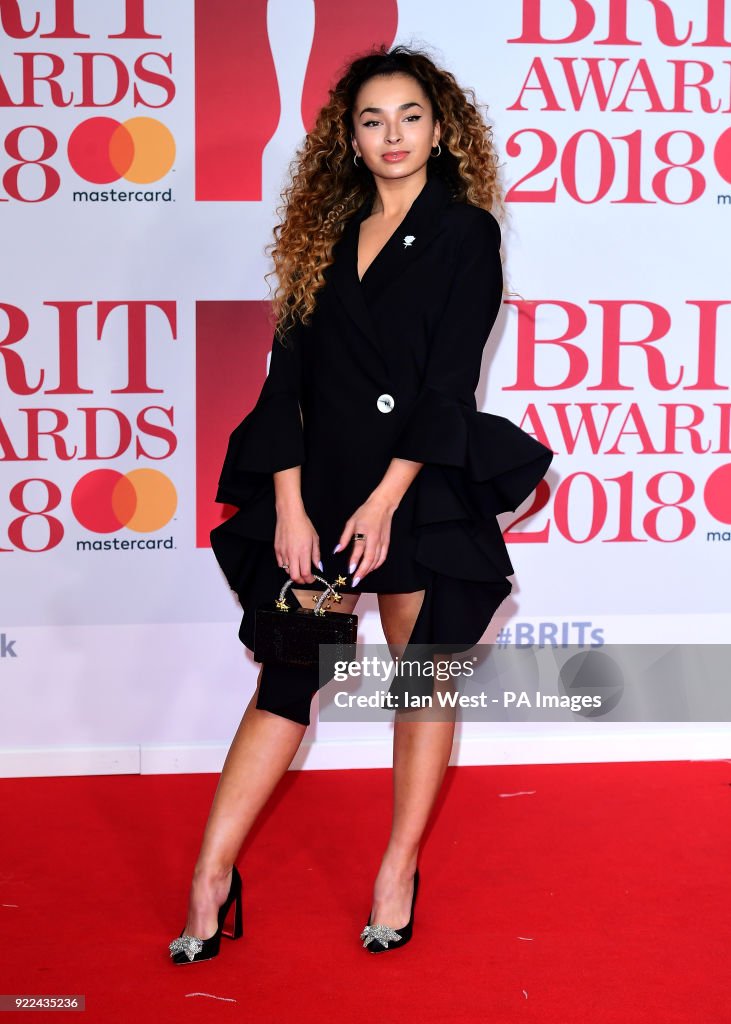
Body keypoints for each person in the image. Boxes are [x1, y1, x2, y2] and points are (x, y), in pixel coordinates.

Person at [168, 44, 553, 964]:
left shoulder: (465, 233)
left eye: (410, 116)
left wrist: (383, 503)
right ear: (347, 136)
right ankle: (212, 875)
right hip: (322, 486)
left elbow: (446, 386)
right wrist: (291, 505)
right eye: (372, 119)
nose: (392, 135)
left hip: (415, 490)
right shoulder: (322, 236)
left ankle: (397, 868)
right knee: (288, 680)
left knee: (422, 681)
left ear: (440, 126)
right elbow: (285, 381)